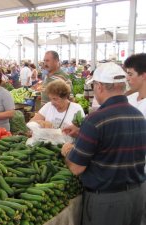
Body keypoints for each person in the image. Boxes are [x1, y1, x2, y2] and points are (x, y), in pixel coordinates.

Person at [61, 62, 146, 225]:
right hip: (137, 195)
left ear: (99, 87)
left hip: (108, 202)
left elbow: (76, 168)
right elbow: (117, 142)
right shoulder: (138, 115)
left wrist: (68, 151)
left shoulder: (96, 119)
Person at [124, 53, 146, 225]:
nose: (127, 78)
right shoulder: (129, 100)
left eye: (130, 74)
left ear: (143, 75)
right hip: (127, 171)